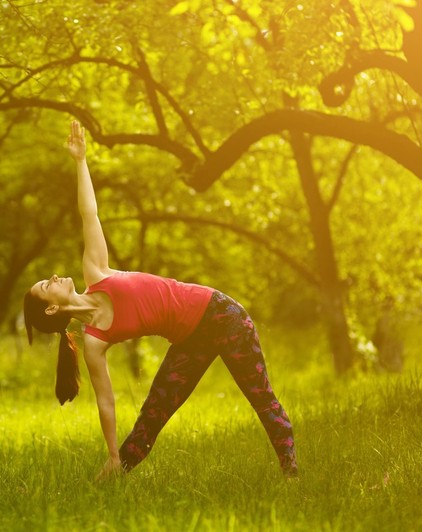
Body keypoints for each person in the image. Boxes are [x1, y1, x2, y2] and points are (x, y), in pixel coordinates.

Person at [23, 121, 297, 481]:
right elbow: (106, 402)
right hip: (189, 340)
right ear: (52, 308)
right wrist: (110, 453)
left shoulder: (96, 271)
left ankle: (292, 473)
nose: (55, 276)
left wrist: (80, 161)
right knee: (153, 412)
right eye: (48, 284)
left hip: (221, 313)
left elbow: (89, 213)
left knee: (259, 396)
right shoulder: (94, 342)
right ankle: (117, 471)